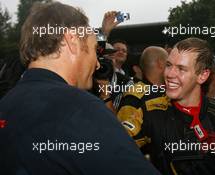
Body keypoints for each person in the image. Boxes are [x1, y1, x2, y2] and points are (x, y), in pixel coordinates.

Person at [0, 2, 160, 175]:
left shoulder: (6, 104)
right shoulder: (82, 110)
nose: (98, 64)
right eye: (92, 50)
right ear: (72, 42)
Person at [118, 37, 215, 174]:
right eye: (168, 65)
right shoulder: (149, 112)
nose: (169, 74)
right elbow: (114, 149)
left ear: (203, 76)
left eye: (181, 68)